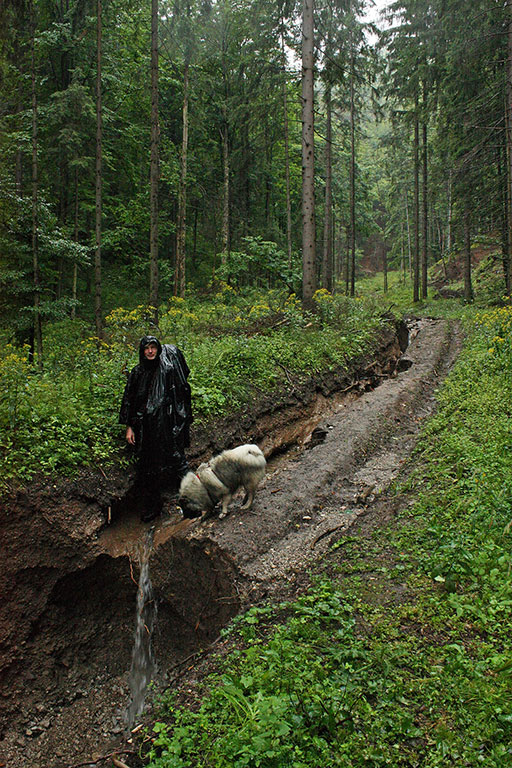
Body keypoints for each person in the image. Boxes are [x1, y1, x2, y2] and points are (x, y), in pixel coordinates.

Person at [119, 335, 193, 522]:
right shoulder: (137, 373)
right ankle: (154, 507)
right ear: (142, 351)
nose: (150, 351)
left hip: (168, 427)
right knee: (149, 470)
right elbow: (130, 400)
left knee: (179, 464)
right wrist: (130, 427)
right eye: (147, 348)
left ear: (158, 349)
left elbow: (179, 397)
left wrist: (177, 425)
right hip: (147, 430)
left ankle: (193, 504)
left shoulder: (168, 370)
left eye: (153, 347)